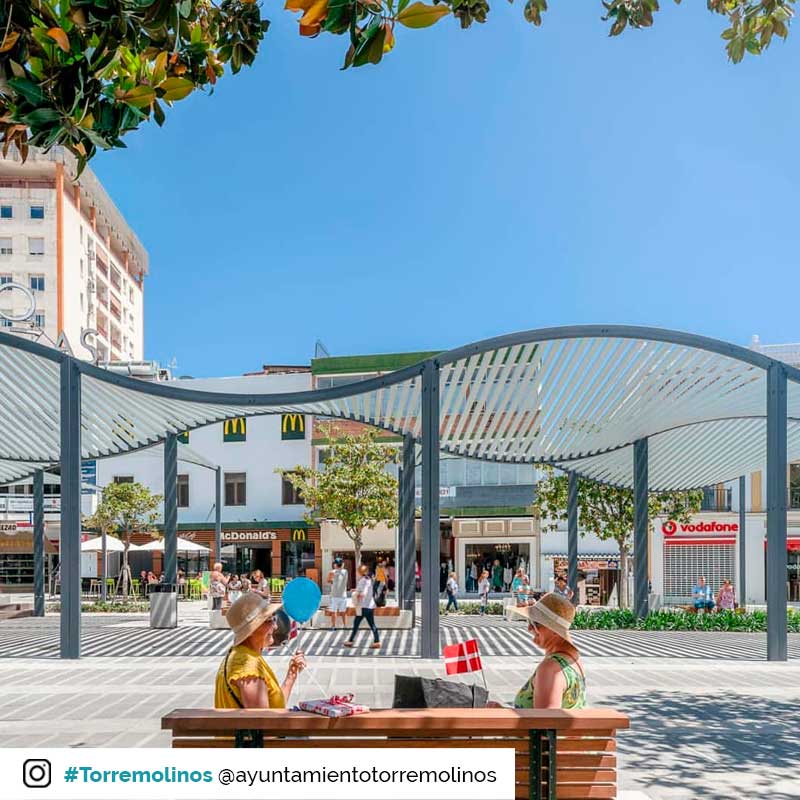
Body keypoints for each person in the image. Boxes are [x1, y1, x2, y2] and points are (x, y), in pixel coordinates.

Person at [214, 594, 306, 709]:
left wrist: (291, 675)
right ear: (251, 630)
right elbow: (262, 718)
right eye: (269, 620)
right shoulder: (247, 666)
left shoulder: (243, 655)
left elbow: (275, 707)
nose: (275, 626)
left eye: (274, 618)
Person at [508, 592, 586, 709]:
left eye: (535, 623)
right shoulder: (573, 658)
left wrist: (502, 713)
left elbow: (545, 720)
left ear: (554, 630)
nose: (529, 628)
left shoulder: (550, 669)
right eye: (529, 621)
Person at [344, 565, 380, 649]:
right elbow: (366, 589)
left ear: (360, 572)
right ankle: (377, 641)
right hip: (370, 606)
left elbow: (364, 592)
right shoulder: (369, 579)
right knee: (372, 624)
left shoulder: (362, 580)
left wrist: (358, 595)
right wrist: (356, 590)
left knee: (356, 624)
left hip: (363, 606)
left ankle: (350, 641)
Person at [327, 557, 349, 630]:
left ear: (335, 564)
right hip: (343, 595)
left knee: (334, 612)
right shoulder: (345, 572)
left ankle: (333, 626)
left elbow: (328, 580)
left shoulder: (332, 572)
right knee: (343, 612)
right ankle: (345, 626)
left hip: (334, 595)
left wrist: (333, 581)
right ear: (342, 564)